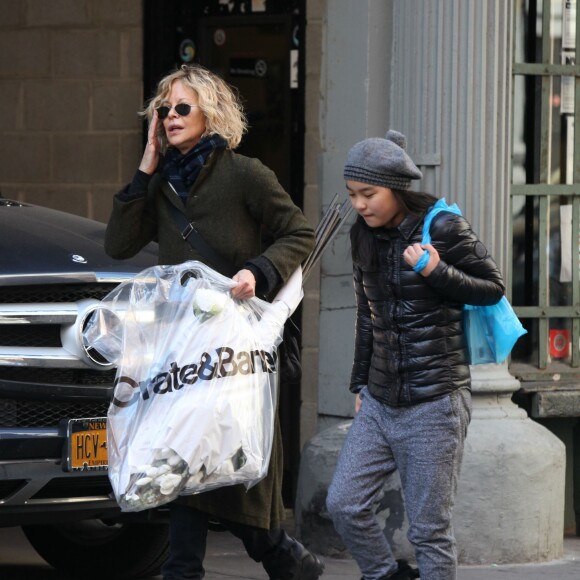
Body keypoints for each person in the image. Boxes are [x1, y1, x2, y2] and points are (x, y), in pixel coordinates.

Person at [104, 64, 323, 580]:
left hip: (234, 357)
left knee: (241, 495)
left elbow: (301, 234)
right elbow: (118, 244)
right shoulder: (159, 188)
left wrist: (257, 270)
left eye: (183, 108)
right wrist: (146, 164)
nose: (172, 116)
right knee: (183, 475)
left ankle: (286, 559)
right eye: (164, 110)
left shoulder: (244, 174)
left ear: (210, 113)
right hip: (180, 359)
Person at [325, 130, 505, 580]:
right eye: (353, 195)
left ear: (397, 189)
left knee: (429, 531)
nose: (360, 205)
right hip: (380, 400)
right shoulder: (361, 237)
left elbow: (493, 288)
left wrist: (436, 269)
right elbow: (368, 316)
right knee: (344, 503)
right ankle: (386, 575)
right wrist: (360, 384)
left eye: (369, 194)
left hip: (436, 402)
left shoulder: (442, 227)